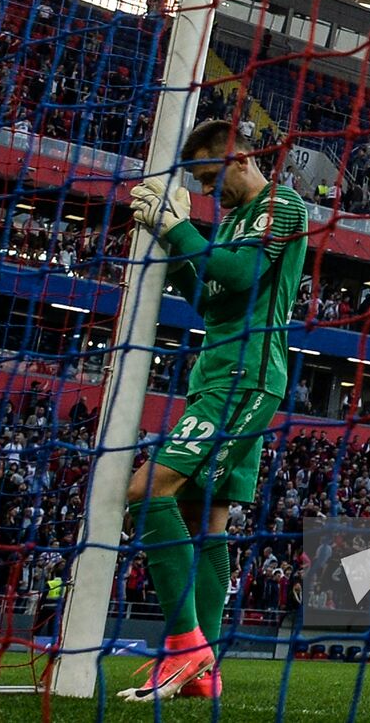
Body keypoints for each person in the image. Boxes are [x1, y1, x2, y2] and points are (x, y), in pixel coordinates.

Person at [121, 119, 309, 702]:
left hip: (245, 378)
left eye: (209, 177)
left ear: (239, 156)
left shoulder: (284, 205)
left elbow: (241, 274)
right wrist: (170, 241)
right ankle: (203, 673)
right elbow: (209, 298)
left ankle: (184, 646)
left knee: (146, 491)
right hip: (217, 375)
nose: (207, 192)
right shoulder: (229, 224)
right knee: (206, 520)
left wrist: (179, 228)